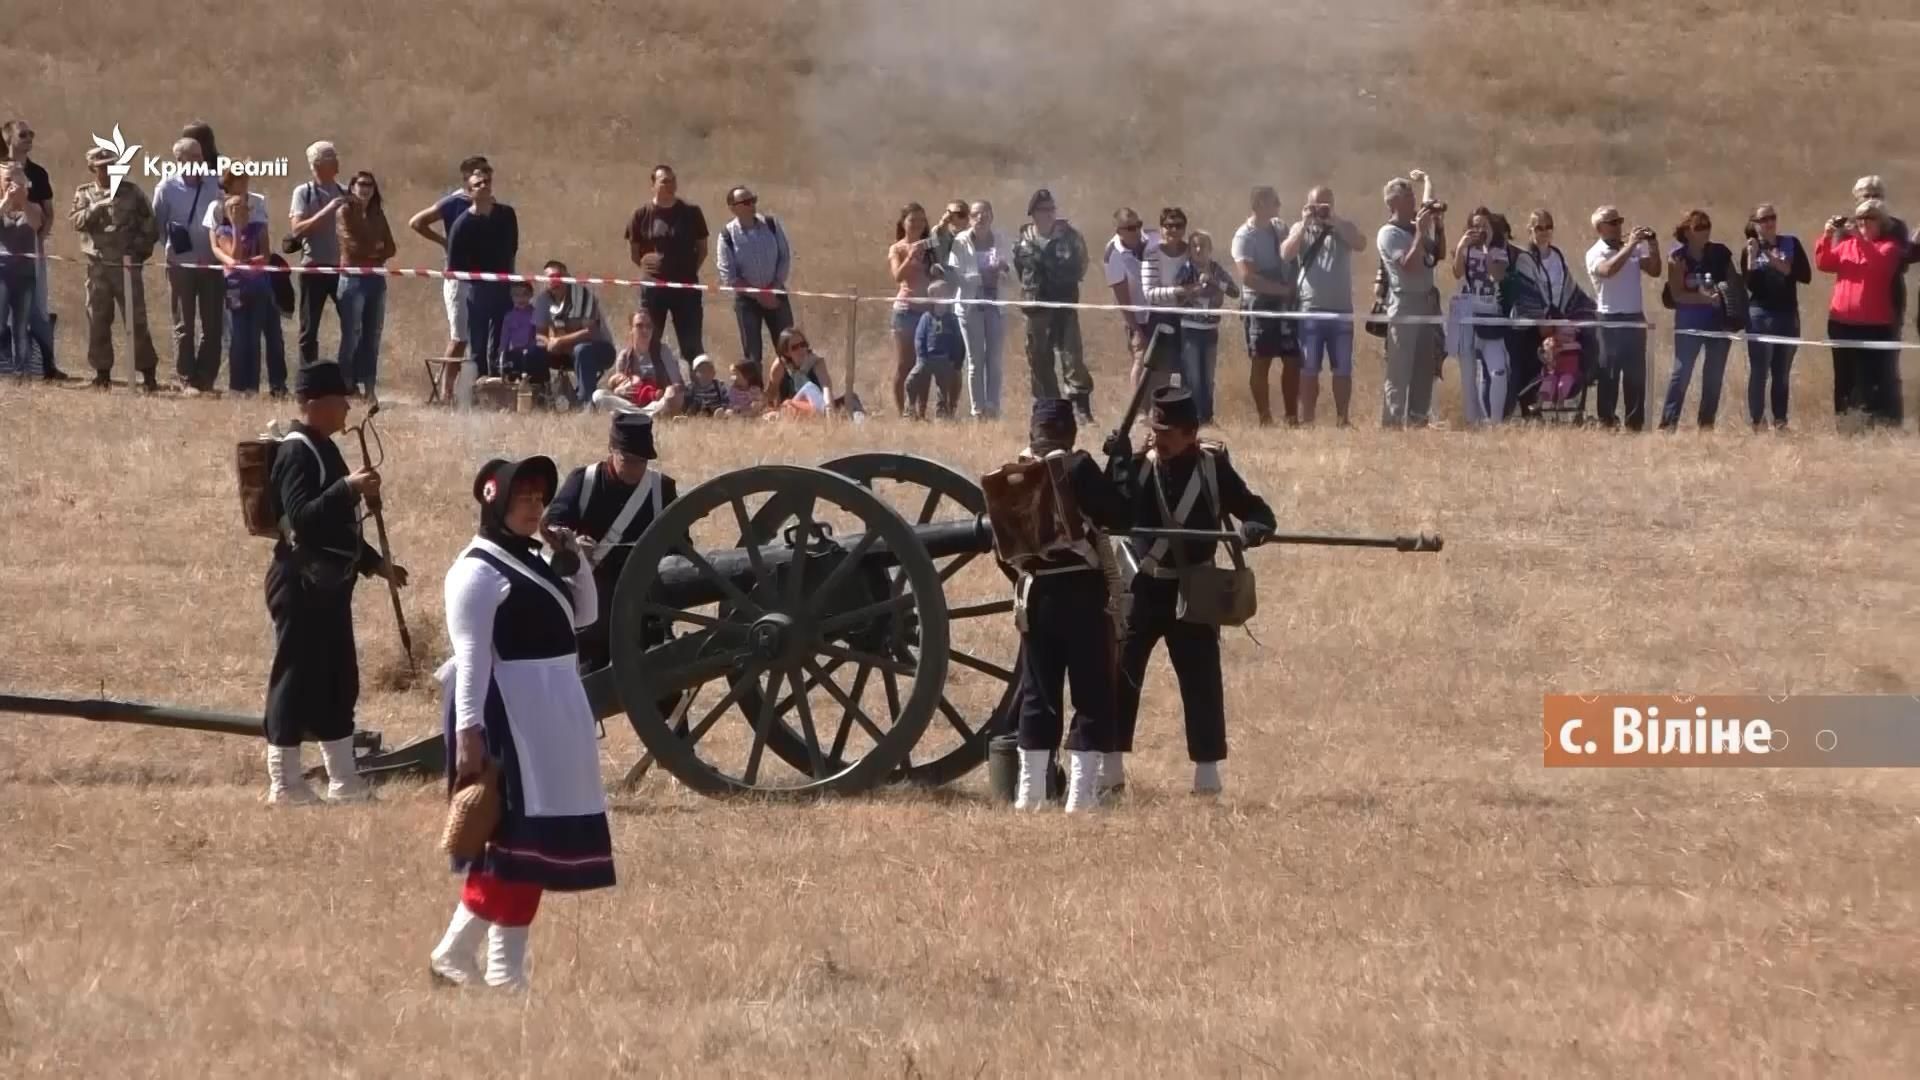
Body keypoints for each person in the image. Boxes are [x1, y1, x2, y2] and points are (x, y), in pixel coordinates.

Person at [430, 455, 612, 992]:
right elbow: (472, 660)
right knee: (510, 845)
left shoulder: (535, 558)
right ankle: (486, 966)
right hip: (507, 712)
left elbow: (584, 618)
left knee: (533, 844)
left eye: (537, 498)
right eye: (522, 498)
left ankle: (472, 960)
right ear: (495, 502)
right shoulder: (476, 571)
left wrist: (573, 559)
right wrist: (468, 738)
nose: (533, 507)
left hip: (549, 710)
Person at [1110, 387, 1275, 796]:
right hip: (1144, 586)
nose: (1157, 439)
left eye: (1166, 432)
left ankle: (1207, 780)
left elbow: (1259, 511)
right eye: (1154, 429)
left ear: (1190, 434)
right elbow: (1112, 511)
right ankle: (1109, 773)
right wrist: (1117, 464)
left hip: (1194, 590)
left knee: (1201, 682)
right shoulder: (1140, 465)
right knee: (1120, 676)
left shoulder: (1213, 468)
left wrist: (1251, 531)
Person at [262, 361, 408, 805]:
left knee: (338, 679)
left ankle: (344, 780)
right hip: (301, 584)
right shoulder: (296, 452)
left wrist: (376, 564)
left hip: (330, 586)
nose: (347, 407)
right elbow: (303, 519)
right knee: (294, 679)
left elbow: (339, 529)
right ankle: (285, 783)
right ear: (317, 404)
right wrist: (348, 487)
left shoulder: (323, 447)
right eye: (340, 399)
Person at [1004, 398, 1134, 813]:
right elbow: (1118, 514)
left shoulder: (1014, 474)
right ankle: (1080, 797)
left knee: (1038, 694)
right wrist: (1120, 465)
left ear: (1032, 433)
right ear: (1071, 433)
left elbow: (1004, 547)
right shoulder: (1077, 467)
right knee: (1092, 692)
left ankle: (1031, 795)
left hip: (1037, 594)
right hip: (1082, 593)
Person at [542, 412, 681, 675]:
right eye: (627, 460)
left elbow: (680, 546)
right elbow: (552, 524)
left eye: (641, 461)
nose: (634, 469)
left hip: (642, 607)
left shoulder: (661, 489)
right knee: (585, 688)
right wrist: (571, 542)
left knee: (662, 691)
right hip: (593, 605)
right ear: (611, 450)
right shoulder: (584, 480)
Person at [70, 146, 161, 392]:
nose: (109, 170)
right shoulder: (85, 193)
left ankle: (148, 375)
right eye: (103, 167)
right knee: (98, 320)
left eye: (113, 165)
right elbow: (75, 221)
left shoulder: (131, 193)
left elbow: (151, 226)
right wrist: (94, 209)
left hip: (126, 267)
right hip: (98, 267)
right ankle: (102, 375)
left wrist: (138, 252)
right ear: (93, 169)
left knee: (136, 321)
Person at [1280, 186, 1366, 426]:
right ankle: (1308, 420)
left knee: (1343, 369)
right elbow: (1285, 254)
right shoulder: (1301, 228)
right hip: (1311, 310)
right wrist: (1305, 224)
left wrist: (1334, 220)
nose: (1322, 209)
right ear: (1308, 205)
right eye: (1317, 204)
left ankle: (1343, 419)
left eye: (1326, 204)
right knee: (1308, 369)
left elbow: (1360, 243)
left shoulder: (1343, 227)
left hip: (1341, 310)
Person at [1817, 200, 1906, 426]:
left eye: (1869, 219)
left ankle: (1871, 426)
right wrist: (1827, 236)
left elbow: (1877, 264)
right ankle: (1844, 424)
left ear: (1881, 223)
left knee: (1869, 378)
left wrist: (1857, 236)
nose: (1863, 223)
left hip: (1874, 326)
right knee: (1844, 377)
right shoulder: (1847, 245)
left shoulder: (1889, 247)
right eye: (1859, 219)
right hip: (1841, 323)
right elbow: (1825, 263)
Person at [408, 155, 489, 401]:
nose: (484, 179)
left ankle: (480, 390)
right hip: (458, 277)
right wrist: (445, 242)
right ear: (467, 179)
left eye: (487, 173)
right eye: (478, 174)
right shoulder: (454, 202)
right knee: (460, 337)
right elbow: (417, 222)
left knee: (481, 336)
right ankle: (446, 393)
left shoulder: (491, 203)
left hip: (483, 277)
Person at [1014, 189, 1094, 421]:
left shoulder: (1070, 237)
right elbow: (1021, 269)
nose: (1048, 214)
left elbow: (1082, 264)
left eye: (1051, 209)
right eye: (1043, 210)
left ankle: (1081, 409)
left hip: (1064, 305)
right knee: (1039, 358)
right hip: (1036, 307)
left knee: (1072, 357)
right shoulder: (1023, 240)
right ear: (1033, 213)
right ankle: (1049, 409)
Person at [152, 137, 224, 394]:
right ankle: (186, 380)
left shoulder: (215, 185)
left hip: (212, 265)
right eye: (192, 157)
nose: (198, 161)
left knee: (213, 324)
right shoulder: (166, 188)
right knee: (184, 325)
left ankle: (205, 379)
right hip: (180, 267)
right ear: (179, 160)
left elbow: (224, 220)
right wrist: (174, 250)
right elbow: (158, 226)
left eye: (200, 156)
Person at [1584, 206, 1661, 430]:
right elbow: (1608, 270)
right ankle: (1606, 421)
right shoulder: (1595, 252)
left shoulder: (1630, 249)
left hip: (1634, 316)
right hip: (1610, 318)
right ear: (1600, 228)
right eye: (1613, 222)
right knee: (1609, 372)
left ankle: (1634, 424)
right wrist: (1630, 246)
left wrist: (1653, 245)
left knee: (1636, 374)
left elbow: (1654, 270)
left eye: (1620, 221)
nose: (1619, 226)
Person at [0, 119, 66, 381]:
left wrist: (40, 239)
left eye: (31, 134)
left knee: (37, 310)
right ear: (8, 140)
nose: (29, 138)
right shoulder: (1, 172)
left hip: (31, 252)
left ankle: (45, 365)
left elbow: (47, 214)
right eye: (23, 135)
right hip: (3, 253)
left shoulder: (38, 173)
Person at [1376, 178, 1445, 427]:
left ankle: (1418, 420)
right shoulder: (1389, 234)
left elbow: (1439, 254)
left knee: (1424, 368)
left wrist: (1438, 227)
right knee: (1399, 370)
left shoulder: (1414, 229)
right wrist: (1419, 232)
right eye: (1407, 197)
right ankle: (1392, 423)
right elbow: (1409, 265)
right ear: (1393, 202)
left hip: (1426, 304)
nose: (1414, 200)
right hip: (1404, 305)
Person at [1659, 210, 1736, 431]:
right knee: (1681, 372)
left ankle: (1706, 425)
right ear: (1687, 232)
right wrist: (1702, 298)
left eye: (1707, 226)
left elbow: (1734, 284)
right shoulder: (1677, 257)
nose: (1705, 231)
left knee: (1714, 375)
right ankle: (1668, 424)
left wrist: (1723, 297)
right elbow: (1677, 295)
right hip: (1689, 321)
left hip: (1718, 322)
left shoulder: (1720, 253)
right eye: (1699, 228)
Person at [208, 180, 286, 397]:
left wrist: (252, 260)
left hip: (259, 286)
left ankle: (252, 387)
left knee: (254, 338)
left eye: (242, 208)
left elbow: (266, 254)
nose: (239, 212)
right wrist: (235, 227)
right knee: (237, 338)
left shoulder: (258, 228)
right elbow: (233, 257)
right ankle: (236, 387)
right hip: (235, 288)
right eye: (234, 209)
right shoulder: (223, 230)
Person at [624, 164, 708, 361]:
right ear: (653, 185)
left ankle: (700, 389)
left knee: (692, 345)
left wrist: (684, 272)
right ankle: (652, 387)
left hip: (686, 288)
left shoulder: (692, 212)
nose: (671, 185)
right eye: (665, 181)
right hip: (653, 290)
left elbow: (702, 250)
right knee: (649, 342)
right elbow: (635, 254)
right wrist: (655, 273)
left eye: (673, 180)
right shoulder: (641, 215)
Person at [1233, 186, 1301, 425]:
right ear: (1260, 203)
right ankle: (1265, 417)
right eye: (1275, 201)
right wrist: (1283, 290)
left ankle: (1291, 416)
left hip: (1286, 304)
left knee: (1292, 358)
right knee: (1261, 360)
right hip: (1259, 304)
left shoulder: (1280, 228)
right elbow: (1248, 277)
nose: (1279, 205)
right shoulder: (1244, 236)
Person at [1740, 204, 1811, 429]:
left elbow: (1805, 275)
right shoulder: (1749, 248)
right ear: (1755, 224)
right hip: (1760, 314)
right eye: (1763, 219)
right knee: (1760, 371)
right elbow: (1750, 285)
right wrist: (1752, 257)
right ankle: (1757, 422)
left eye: (1772, 217)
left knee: (1781, 373)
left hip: (1787, 314)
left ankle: (1780, 422)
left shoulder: (1791, 243)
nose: (1769, 222)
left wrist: (1773, 260)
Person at [447, 163, 518, 381]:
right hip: (476, 290)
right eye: (478, 184)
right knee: (477, 343)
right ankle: (479, 388)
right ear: (469, 192)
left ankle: (500, 386)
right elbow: (455, 266)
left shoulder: (507, 214)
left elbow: (512, 248)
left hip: (504, 287)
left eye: (487, 182)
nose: (485, 186)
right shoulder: (462, 225)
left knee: (501, 342)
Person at [945, 200, 1012, 419]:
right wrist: (981, 277)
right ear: (970, 218)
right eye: (975, 214)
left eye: (985, 213)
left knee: (994, 359)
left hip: (995, 305)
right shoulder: (961, 241)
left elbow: (1011, 275)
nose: (980, 218)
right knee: (976, 360)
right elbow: (955, 275)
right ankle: (977, 411)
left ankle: (993, 407)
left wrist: (1002, 271)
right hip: (970, 306)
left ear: (992, 216)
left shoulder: (1001, 239)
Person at [714, 185, 792, 373]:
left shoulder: (772, 225)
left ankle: (790, 395)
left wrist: (772, 290)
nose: (752, 205)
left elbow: (785, 258)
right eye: (746, 202)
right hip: (747, 302)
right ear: (733, 208)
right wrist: (759, 295)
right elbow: (729, 275)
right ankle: (757, 397)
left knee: (788, 348)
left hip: (776, 296)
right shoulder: (726, 236)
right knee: (752, 356)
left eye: (753, 200)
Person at [1447, 209, 1512, 425]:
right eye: (1475, 226)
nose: (1480, 230)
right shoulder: (1464, 249)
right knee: (1468, 375)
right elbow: (1456, 273)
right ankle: (1471, 421)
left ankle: (1495, 422)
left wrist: (1486, 250)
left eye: (1484, 225)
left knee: (1498, 370)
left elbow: (1496, 275)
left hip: (1490, 315)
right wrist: (1460, 248)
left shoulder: (1499, 251)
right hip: (1467, 316)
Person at [336, 170, 396, 399]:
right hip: (352, 279)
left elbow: (391, 247)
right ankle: (346, 385)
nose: (366, 188)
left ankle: (369, 387)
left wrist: (374, 250)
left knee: (373, 335)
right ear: (352, 187)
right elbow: (351, 246)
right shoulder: (344, 212)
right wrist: (375, 248)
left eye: (370, 184)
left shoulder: (377, 214)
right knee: (352, 334)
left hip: (376, 280)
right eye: (361, 184)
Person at [288, 142, 347, 369]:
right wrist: (328, 209)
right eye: (331, 158)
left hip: (342, 270)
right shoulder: (304, 192)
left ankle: (348, 380)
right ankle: (308, 381)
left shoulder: (344, 191)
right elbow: (297, 229)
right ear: (317, 165)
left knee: (353, 327)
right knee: (309, 330)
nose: (337, 162)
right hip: (313, 268)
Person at [1173, 230, 1241, 424]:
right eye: (1194, 245)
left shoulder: (1216, 268)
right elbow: (1177, 297)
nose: (1198, 249)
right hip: (1190, 328)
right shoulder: (1186, 269)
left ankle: (1208, 417)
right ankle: (1192, 418)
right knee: (1192, 375)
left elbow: (1234, 292)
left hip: (1210, 330)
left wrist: (1215, 282)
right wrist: (1196, 290)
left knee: (1208, 376)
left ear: (1210, 249)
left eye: (1203, 245)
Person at [533, 260, 616, 407]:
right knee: (535, 350)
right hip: (563, 351)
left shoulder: (583, 296)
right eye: (550, 278)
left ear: (567, 277)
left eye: (558, 276)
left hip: (599, 349)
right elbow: (538, 333)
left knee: (582, 349)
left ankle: (586, 402)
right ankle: (541, 398)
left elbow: (590, 332)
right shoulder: (543, 300)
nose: (554, 281)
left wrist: (560, 341)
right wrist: (549, 343)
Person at [1136, 207, 1193, 398]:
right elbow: (1149, 293)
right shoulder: (1151, 254)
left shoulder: (1192, 252)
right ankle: (1157, 412)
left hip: (1189, 318)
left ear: (1184, 229)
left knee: (1188, 369)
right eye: (1169, 226)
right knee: (1161, 372)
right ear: (1161, 228)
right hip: (1161, 319)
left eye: (1178, 226)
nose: (1173, 230)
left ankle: (1187, 413)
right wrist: (1179, 292)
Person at [887, 201, 937, 416]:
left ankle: (921, 411)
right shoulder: (897, 248)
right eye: (912, 220)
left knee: (925, 364)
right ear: (903, 223)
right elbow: (898, 276)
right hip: (905, 311)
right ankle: (902, 412)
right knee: (905, 363)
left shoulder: (932, 246)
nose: (917, 224)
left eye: (921, 220)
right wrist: (911, 255)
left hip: (929, 311)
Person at [0, 162, 45, 377]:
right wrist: (6, 202)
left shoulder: (33, 207)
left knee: (21, 326)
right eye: (7, 179)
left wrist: (23, 201)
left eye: (16, 179)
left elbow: (36, 224)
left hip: (25, 276)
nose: (11, 184)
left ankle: (22, 370)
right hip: (1, 273)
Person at [1104, 208, 1154, 390]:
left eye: (1139, 225)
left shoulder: (1153, 238)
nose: (1137, 230)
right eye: (1131, 228)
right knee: (1140, 359)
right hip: (1138, 317)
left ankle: (1160, 412)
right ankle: (1139, 412)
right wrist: (1135, 330)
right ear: (1119, 231)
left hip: (1160, 311)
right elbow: (1122, 299)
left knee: (1163, 366)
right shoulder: (1113, 254)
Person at [909, 280, 965, 419]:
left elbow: (958, 341)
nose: (942, 297)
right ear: (932, 298)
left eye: (944, 293)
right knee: (911, 381)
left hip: (945, 359)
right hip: (927, 358)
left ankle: (943, 414)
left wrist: (956, 361)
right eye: (938, 294)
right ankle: (911, 409)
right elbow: (919, 338)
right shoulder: (926, 318)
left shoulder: (952, 319)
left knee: (943, 388)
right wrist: (921, 358)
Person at [766, 326, 834, 409]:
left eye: (803, 345)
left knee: (851, 398)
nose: (801, 349)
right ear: (786, 352)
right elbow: (771, 394)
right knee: (804, 392)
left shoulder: (816, 361)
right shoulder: (780, 365)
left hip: (816, 407)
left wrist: (829, 410)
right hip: (790, 408)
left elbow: (826, 387)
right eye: (795, 347)